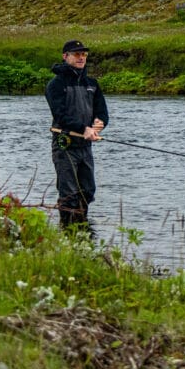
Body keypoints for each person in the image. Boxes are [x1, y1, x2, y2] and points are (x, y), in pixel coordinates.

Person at [45, 40, 109, 229]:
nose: (81, 58)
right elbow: (60, 115)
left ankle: (82, 230)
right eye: (77, 54)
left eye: (84, 54)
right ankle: (67, 233)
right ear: (66, 57)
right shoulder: (55, 85)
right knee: (69, 194)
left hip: (85, 146)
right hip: (65, 144)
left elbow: (102, 111)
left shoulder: (92, 84)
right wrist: (84, 128)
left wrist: (99, 123)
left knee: (88, 191)